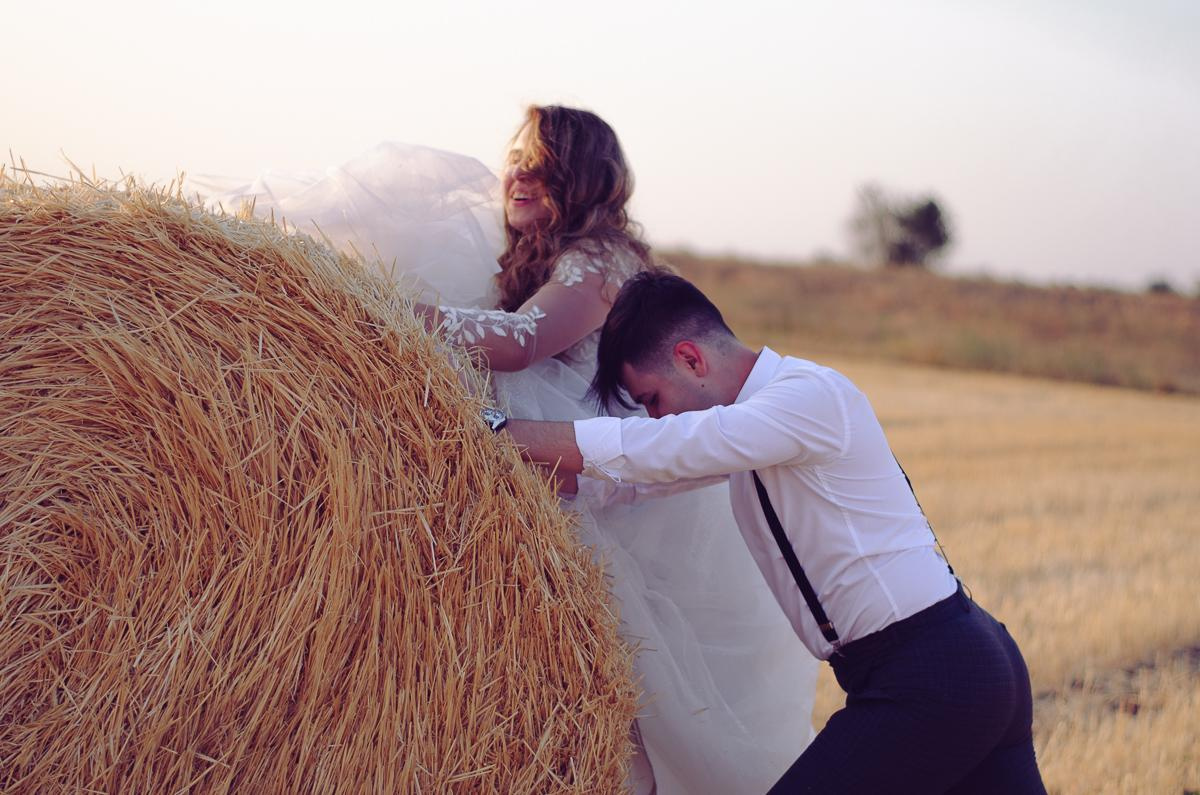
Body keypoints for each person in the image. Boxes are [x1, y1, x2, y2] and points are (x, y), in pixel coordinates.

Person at [186, 106, 818, 794]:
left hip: (606, 478)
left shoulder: (599, 255)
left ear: (581, 178)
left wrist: (364, 309)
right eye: (516, 158)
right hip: (574, 460)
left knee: (617, 677)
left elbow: (522, 342)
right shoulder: (537, 252)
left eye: (542, 165)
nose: (518, 174)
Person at [500, 270, 1048, 794]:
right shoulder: (756, 424)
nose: (657, 419)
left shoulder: (804, 396)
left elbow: (673, 448)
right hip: (946, 662)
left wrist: (502, 431)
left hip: (932, 670)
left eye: (652, 401)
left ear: (690, 359)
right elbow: (636, 484)